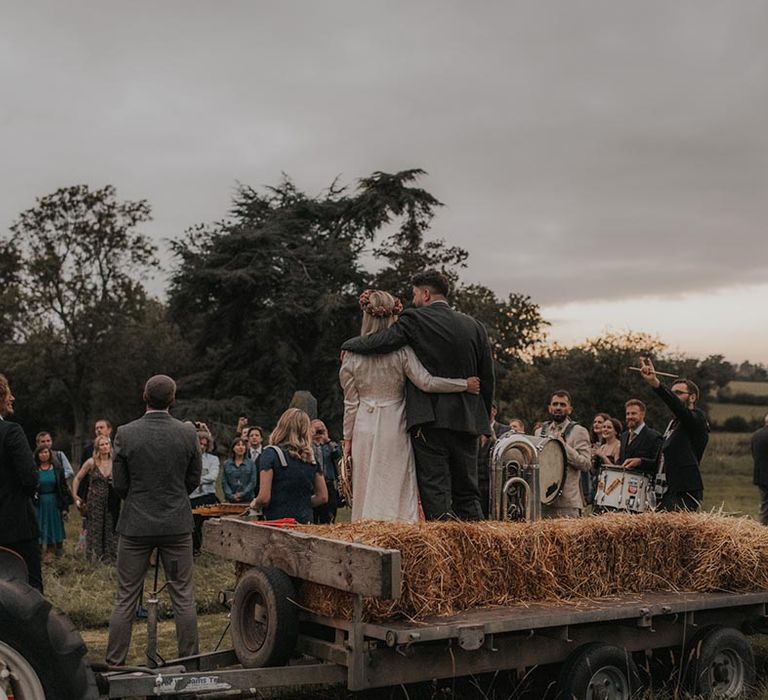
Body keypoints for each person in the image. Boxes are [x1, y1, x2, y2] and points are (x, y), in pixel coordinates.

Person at [341, 271, 494, 521]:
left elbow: (382, 342)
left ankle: (441, 554)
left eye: (414, 295)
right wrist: (483, 422)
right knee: (468, 494)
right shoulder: (475, 326)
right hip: (467, 422)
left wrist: (349, 345)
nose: (412, 301)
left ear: (425, 294)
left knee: (436, 494)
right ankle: (474, 555)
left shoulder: (414, 319)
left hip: (429, 423)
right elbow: (487, 380)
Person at [106, 374, 201, 666]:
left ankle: (115, 666)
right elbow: (194, 479)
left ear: (144, 397)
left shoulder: (125, 433)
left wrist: (139, 499)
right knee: (182, 595)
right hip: (175, 527)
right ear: (173, 400)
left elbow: (119, 485)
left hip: (135, 527)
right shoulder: (187, 433)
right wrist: (173, 498)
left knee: (126, 597)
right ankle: (190, 664)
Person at [638, 358, 708, 511]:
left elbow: (679, 409)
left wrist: (656, 384)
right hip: (664, 490)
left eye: (679, 393)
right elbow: (665, 461)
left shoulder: (696, 419)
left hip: (683, 491)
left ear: (692, 397)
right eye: (673, 392)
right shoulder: (673, 424)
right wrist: (640, 461)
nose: (674, 395)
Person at [0, 374, 43, 592]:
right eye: (8, 393)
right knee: (30, 592)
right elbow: (30, 478)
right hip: (15, 527)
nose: (12, 398)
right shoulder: (10, 432)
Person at [250, 408, 328, 523]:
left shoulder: (270, 454)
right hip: (305, 523)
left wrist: (254, 503)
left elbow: (264, 498)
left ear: (281, 426)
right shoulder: (310, 457)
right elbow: (323, 497)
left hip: (277, 523)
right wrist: (302, 503)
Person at [535, 390, 592, 518]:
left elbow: (587, 465)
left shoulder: (579, 431)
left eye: (562, 404)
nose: (558, 408)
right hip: (543, 502)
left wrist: (563, 447)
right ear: (550, 408)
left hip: (568, 503)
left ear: (570, 409)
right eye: (555, 404)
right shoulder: (539, 433)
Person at [72, 434, 118, 562]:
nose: (104, 447)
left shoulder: (115, 462)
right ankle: (94, 558)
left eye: (106, 444)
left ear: (110, 445)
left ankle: (110, 558)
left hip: (111, 501)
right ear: (97, 447)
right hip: (94, 502)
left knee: (110, 528)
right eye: (101, 445)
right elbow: (77, 478)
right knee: (95, 529)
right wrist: (75, 494)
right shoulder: (91, 462)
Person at [34, 445, 70, 561]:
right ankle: (39, 554)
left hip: (54, 503)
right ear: (37, 455)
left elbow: (63, 489)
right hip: (39, 503)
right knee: (40, 527)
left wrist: (65, 507)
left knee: (55, 527)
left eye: (46, 452)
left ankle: (57, 553)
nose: (44, 455)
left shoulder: (57, 469)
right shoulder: (34, 470)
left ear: (49, 454)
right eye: (41, 453)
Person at [189, 427, 220, 554]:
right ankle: (195, 548)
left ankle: (213, 548)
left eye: (204, 445)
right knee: (193, 524)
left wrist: (197, 479)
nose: (201, 447)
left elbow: (213, 476)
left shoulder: (213, 459)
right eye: (199, 444)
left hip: (208, 495)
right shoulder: (188, 459)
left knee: (213, 522)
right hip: (193, 497)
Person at [619, 399, 663, 475]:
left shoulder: (654, 437)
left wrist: (640, 462)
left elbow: (658, 465)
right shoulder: (623, 436)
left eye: (633, 413)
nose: (629, 417)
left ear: (643, 414)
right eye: (627, 414)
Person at [311, 419, 342, 523]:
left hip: (328, 483)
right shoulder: (309, 446)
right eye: (316, 429)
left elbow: (337, 454)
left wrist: (326, 439)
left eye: (321, 428)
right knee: (313, 516)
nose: (319, 431)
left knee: (329, 517)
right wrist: (312, 438)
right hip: (313, 484)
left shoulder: (329, 446)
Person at [222, 437, 258, 504]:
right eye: (238, 445)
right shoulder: (226, 464)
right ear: (233, 448)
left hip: (248, 500)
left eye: (243, 445)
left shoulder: (251, 463)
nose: (241, 447)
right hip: (231, 500)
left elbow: (253, 482)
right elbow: (224, 482)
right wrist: (231, 496)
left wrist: (242, 494)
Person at [752, 413, 768, 525]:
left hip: (760, 475)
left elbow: (754, 454)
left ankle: (762, 531)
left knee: (764, 505)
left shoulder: (756, 435)